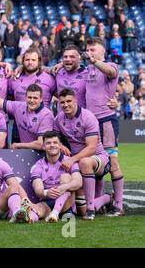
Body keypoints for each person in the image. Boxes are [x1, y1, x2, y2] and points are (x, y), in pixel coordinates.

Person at [53, 89, 113, 220]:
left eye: (69, 101)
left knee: (85, 162)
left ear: (76, 101)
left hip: (98, 158)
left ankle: (91, 210)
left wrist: (72, 160)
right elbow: (55, 137)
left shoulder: (88, 116)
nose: (65, 105)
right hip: (78, 162)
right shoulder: (59, 119)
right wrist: (61, 145)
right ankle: (107, 198)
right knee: (81, 210)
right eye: (62, 102)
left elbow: (91, 148)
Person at [85, 37, 124, 217]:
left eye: (93, 49)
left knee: (113, 162)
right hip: (90, 123)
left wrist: (95, 61)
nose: (90, 52)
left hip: (106, 120)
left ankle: (118, 205)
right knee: (96, 164)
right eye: (88, 50)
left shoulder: (111, 65)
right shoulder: (87, 70)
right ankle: (100, 202)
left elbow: (109, 71)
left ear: (103, 52)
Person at [30, 131, 83, 222]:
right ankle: (28, 218)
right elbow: (38, 190)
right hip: (48, 200)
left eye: (55, 142)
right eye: (48, 143)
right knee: (38, 209)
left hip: (67, 202)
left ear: (60, 145)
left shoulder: (70, 161)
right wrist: (47, 192)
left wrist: (63, 187)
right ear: (43, 146)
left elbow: (78, 182)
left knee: (66, 177)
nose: (52, 145)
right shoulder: (38, 166)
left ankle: (55, 213)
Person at [0, 75, 53, 150]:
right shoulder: (19, 106)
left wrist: (19, 145)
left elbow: (42, 144)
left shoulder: (46, 115)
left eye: (35, 98)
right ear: (25, 97)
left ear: (41, 99)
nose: (32, 100)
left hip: (41, 154)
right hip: (24, 153)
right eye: (29, 97)